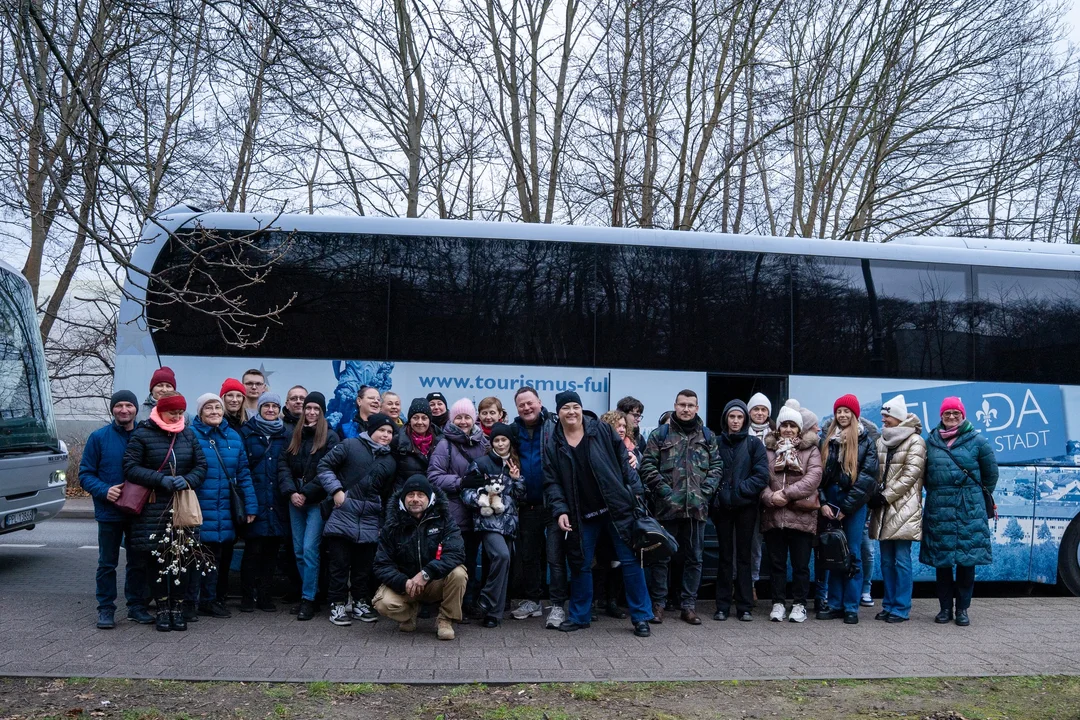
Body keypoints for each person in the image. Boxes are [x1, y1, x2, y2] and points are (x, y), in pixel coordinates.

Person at [544, 391, 653, 637]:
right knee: (580, 563)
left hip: (616, 507)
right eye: (565, 408)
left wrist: (635, 493)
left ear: (581, 409)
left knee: (630, 561)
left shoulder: (602, 431)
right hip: (581, 514)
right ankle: (580, 616)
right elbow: (552, 482)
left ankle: (641, 617)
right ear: (558, 413)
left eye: (575, 406)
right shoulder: (554, 443)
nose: (571, 412)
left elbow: (624, 463)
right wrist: (560, 509)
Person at [122, 391, 207, 632]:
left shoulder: (188, 435)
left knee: (180, 560)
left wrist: (187, 479)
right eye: (173, 412)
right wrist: (159, 479)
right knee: (156, 561)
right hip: (153, 507)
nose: (177, 416)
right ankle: (162, 609)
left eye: (180, 412)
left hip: (181, 507)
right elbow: (130, 467)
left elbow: (201, 466)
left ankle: (177, 609)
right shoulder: (143, 434)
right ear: (161, 411)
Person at [639, 389, 721, 625]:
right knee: (661, 558)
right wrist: (665, 493)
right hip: (666, 509)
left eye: (691, 405)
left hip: (696, 510)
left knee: (694, 558)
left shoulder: (707, 436)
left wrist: (703, 493)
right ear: (675, 405)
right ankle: (659, 605)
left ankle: (688, 606)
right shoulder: (660, 434)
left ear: (697, 408)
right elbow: (647, 467)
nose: (686, 409)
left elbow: (716, 468)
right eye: (682, 404)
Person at [922, 397, 998, 627]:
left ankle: (962, 609)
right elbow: (926, 475)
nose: (951, 417)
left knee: (967, 561)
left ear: (963, 415)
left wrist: (971, 495)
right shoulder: (932, 440)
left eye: (956, 413)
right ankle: (945, 609)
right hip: (939, 507)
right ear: (941, 416)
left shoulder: (978, 441)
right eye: (947, 414)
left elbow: (991, 474)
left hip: (968, 508)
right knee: (942, 561)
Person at [317, 412, 398, 626]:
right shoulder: (350, 445)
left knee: (363, 567)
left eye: (390, 432)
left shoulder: (390, 460)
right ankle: (337, 604)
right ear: (371, 430)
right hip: (343, 514)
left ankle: (361, 602)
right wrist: (336, 490)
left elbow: (388, 494)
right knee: (339, 565)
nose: (386, 435)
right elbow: (324, 466)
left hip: (370, 520)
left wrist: (382, 523)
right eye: (382, 430)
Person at [80, 390, 149, 628]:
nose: (124, 410)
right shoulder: (98, 438)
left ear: (136, 409)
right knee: (107, 563)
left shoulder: (146, 435)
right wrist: (104, 490)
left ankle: (136, 607)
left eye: (128, 405)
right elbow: (85, 474)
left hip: (140, 511)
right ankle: (106, 609)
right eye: (118, 405)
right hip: (110, 511)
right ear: (112, 409)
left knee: (138, 562)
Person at [372, 475, 467, 640]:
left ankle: (445, 620)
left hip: (434, 581)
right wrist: (404, 582)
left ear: (429, 498)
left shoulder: (444, 520)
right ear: (403, 498)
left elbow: (456, 553)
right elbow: (381, 564)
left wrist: (426, 573)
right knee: (382, 603)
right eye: (410, 494)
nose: (415, 499)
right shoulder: (392, 525)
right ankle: (409, 613)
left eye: (420, 495)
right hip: (407, 585)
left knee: (459, 574)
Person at [189, 393, 258, 619]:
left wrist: (250, 506)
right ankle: (190, 602)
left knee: (215, 557)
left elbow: (244, 474)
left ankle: (210, 601)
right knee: (193, 556)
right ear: (200, 412)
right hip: (197, 507)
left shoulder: (234, 437)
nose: (214, 412)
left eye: (217, 408)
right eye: (208, 408)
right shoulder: (189, 435)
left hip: (225, 508)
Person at [278, 391, 340, 621]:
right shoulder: (293, 435)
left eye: (317, 409)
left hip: (316, 501)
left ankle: (309, 599)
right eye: (309, 408)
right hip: (295, 500)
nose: (312, 412)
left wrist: (305, 492)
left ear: (322, 412)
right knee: (298, 551)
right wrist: (292, 492)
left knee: (309, 549)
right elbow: (283, 465)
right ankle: (310, 592)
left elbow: (328, 470)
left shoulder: (331, 437)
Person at [816, 394, 878, 624]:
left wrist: (846, 507)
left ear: (854, 414)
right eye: (838, 411)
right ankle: (834, 604)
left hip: (853, 504)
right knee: (832, 552)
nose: (842, 415)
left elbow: (868, 479)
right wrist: (822, 502)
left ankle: (851, 606)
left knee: (852, 554)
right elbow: (818, 475)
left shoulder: (865, 441)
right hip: (829, 501)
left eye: (846, 411)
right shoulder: (827, 439)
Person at [509, 387, 566, 627]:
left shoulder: (554, 426)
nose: (526, 408)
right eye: (521, 405)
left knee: (555, 557)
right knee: (529, 556)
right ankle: (533, 602)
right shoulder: (513, 430)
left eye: (530, 403)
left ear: (540, 403)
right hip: (527, 504)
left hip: (552, 504)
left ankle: (558, 605)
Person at [760, 400, 822, 623]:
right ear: (778, 428)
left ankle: (799, 604)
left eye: (792, 426)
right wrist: (769, 496)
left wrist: (784, 494)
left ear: (799, 429)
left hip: (801, 517)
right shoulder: (767, 450)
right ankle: (777, 603)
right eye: (784, 425)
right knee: (776, 565)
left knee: (800, 565)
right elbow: (760, 478)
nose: (788, 429)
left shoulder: (810, 450)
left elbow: (813, 478)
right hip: (774, 516)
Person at [427, 398, 490, 618]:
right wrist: (461, 482)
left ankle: (469, 603)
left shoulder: (484, 443)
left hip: (480, 514)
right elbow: (433, 477)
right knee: (455, 561)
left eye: (467, 417)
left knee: (473, 561)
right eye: (459, 417)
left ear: (474, 419)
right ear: (453, 419)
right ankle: (452, 606)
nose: (463, 421)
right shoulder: (445, 444)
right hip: (455, 514)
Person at [868, 394, 926, 624]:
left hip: (903, 509)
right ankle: (889, 604)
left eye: (887, 416)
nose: (883, 420)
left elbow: (910, 475)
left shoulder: (915, 441)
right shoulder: (882, 441)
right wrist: (874, 493)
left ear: (899, 418)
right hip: (883, 508)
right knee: (886, 561)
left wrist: (884, 496)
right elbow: (873, 471)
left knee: (901, 559)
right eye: (883, 416)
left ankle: (901, 607)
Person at [460, 422, 525, 627]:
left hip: (509, 523)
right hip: (488, 521)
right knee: (501, 555)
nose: (500, 443)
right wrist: (482, 500)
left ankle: (493, 615)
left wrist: (517, 480)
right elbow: (466, 491)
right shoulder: (481, 463)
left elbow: (521, 497)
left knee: (504, 565)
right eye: (496, 440)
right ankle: (486, 599)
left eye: (503, 439)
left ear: (509, 442)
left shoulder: (515, 463)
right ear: (492, 443)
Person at [710, 399, 769, 621]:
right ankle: (722, 605)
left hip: (746, 507)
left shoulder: (754, 444)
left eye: (739, 417)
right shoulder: (715, 443)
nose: (735, 421)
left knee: (744, 556)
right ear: (726, 418)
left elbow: (761, 475)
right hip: (722, 508)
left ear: (745, 420)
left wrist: (740, 491)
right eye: (732, 416)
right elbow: (709, 472)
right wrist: (720, 494)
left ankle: (744, 606)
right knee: (725, 556)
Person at [239, 392, 289, 612]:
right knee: (252, 551)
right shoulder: (247, 433)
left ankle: (266, 596)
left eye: (274, 406)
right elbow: (242, 470)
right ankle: (248, 597)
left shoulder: (285, 434)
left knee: (271, 552)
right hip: (255, 500)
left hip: (277, 502)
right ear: (259, 408)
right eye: (266, 405)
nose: (270, 410)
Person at [395, 398, 439, 491]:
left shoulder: (440, 441)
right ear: (410, 420)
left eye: (424, 418)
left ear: (429, 421)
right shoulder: (398, 441)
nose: (420, 422)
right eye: (415, 418)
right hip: (407, 497)